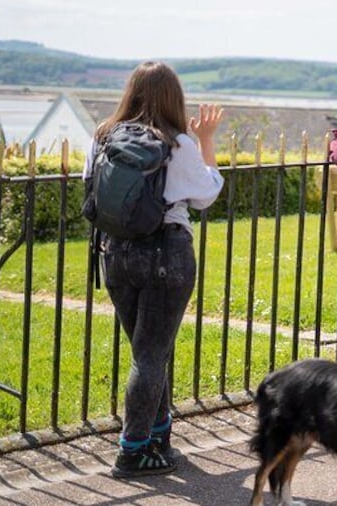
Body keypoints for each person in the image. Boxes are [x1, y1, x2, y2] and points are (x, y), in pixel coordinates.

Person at [83, 61, 225, 477]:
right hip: (166, 254)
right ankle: (131, 450)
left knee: (147, 350)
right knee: (150, 353)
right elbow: (205, 195)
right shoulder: (177, 141)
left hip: (115, 253)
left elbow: (88, 185)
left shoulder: (104, 136)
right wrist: (208, 140)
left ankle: (157, 436)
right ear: (174, 98)